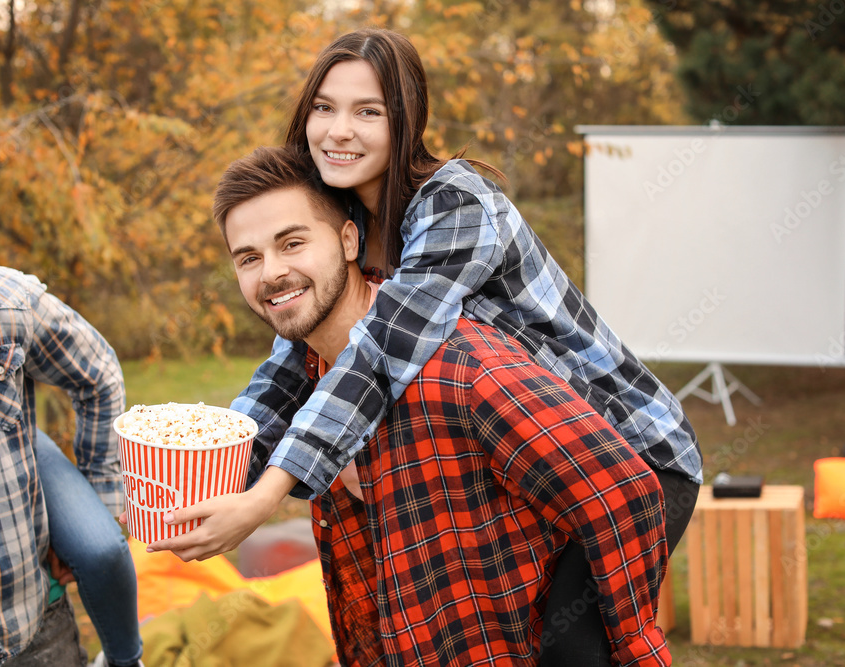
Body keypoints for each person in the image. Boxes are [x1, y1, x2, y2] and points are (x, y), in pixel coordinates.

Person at [158, 27, 700, 663]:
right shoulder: (352, 218)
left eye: (368, 111)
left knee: (573, 645)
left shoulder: (456, 203)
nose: (339, 130)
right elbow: (291, 369)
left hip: (625, 447)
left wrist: (267, 495)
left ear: (404, 121)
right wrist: (199, 475)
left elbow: (380, 349)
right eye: (324, 108)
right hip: (522, 451)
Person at [0, 183, 143, 667]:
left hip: (20, 628)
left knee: (102, 548)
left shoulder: (3, 307)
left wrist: (102, 492)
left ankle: (127, 658)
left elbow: (97, 372)